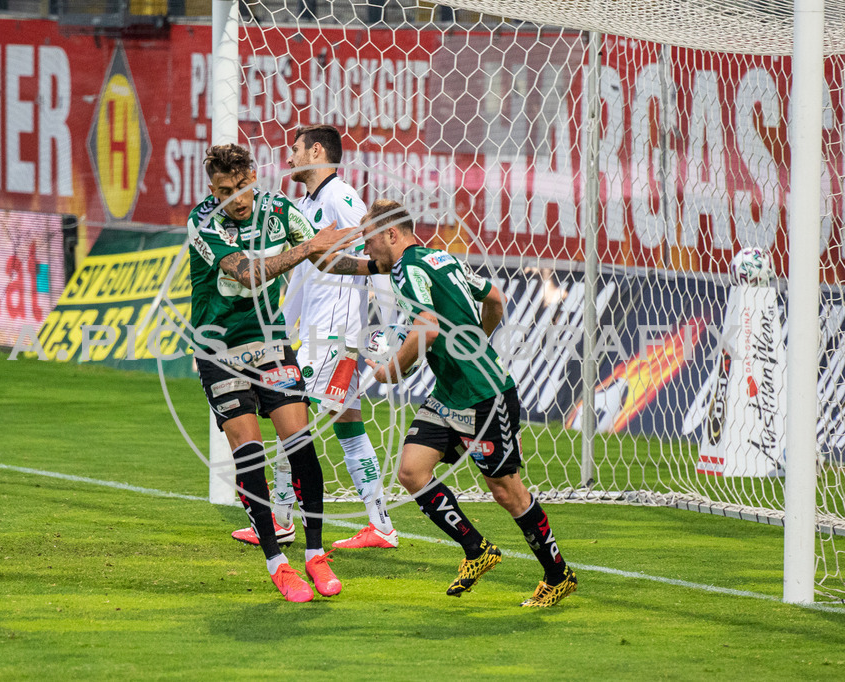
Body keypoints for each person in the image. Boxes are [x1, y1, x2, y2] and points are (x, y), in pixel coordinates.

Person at [359, 199, 578, 607]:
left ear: (391, 234)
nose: (366, 250)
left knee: (506, 491)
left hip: (484, 395)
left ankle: (558, 574)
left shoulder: (407, 270)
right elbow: (494, 297)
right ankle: (478, 551)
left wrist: (392, 371)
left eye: (369, 239)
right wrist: (476, 340)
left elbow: (426, 326)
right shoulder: (442, 259)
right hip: (450, 393)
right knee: (411, 471)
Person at [187, 143, 357, 602]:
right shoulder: (202, 220)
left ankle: (316, 555)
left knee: (299, 443)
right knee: (250, 454)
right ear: (211, 189)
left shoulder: (279, 210)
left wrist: (376, 264)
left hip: (269, 346)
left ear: (253, 178)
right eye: (225, 190)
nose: (236, 199)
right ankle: (277, 564)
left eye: (242, 187)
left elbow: (325, 257)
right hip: (219, 350)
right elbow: (249, 275)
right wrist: (307, 246)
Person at [230, 125, 398, 550]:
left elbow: (377, 258)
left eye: (296, 149)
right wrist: (281, 328)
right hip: (314, 331)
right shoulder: (306, 205)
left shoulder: (341, 197)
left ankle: (283, 519)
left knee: (293, 420)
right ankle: (381, 524)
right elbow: (304, 275)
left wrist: (386, 332)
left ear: (317, 151)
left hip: (335, 334)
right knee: (348, 423)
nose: (290, 157)